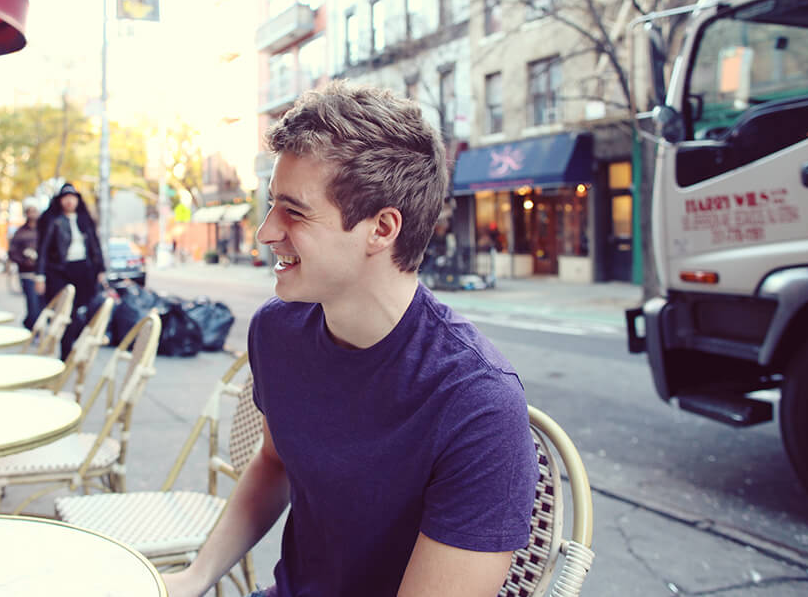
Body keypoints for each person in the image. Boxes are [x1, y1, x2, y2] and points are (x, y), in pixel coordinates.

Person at [163, 81, 538, 597]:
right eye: (271, 205)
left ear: (381, 229)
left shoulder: (478, 405)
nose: (266, 232)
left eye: (294, 211)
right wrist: (194, 578)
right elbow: (274, 460)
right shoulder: (276, 331)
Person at [34, 182, 105, 359]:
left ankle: (74, 348)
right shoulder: (53, 220)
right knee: (65, 313)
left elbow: (95, 246)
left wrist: (101, 269)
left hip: (83, 271)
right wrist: (40, 276)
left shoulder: (85, 220)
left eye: (72, 198)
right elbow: (43, 249)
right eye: (65, 198)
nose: (69, 201)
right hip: (59, 272)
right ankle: (64, 351)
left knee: (82, 312)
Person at [8, 199, 42, 329]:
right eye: (30, 211)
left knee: (42, 306)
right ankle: (32, 327)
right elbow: (12, 252)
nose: (32, 214)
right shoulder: (20, 232)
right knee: (33, 305)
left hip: (42, 273)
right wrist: (24, 260)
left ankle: (33, 325)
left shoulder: (44, 229)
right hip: (27, 273)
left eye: (34, 211)